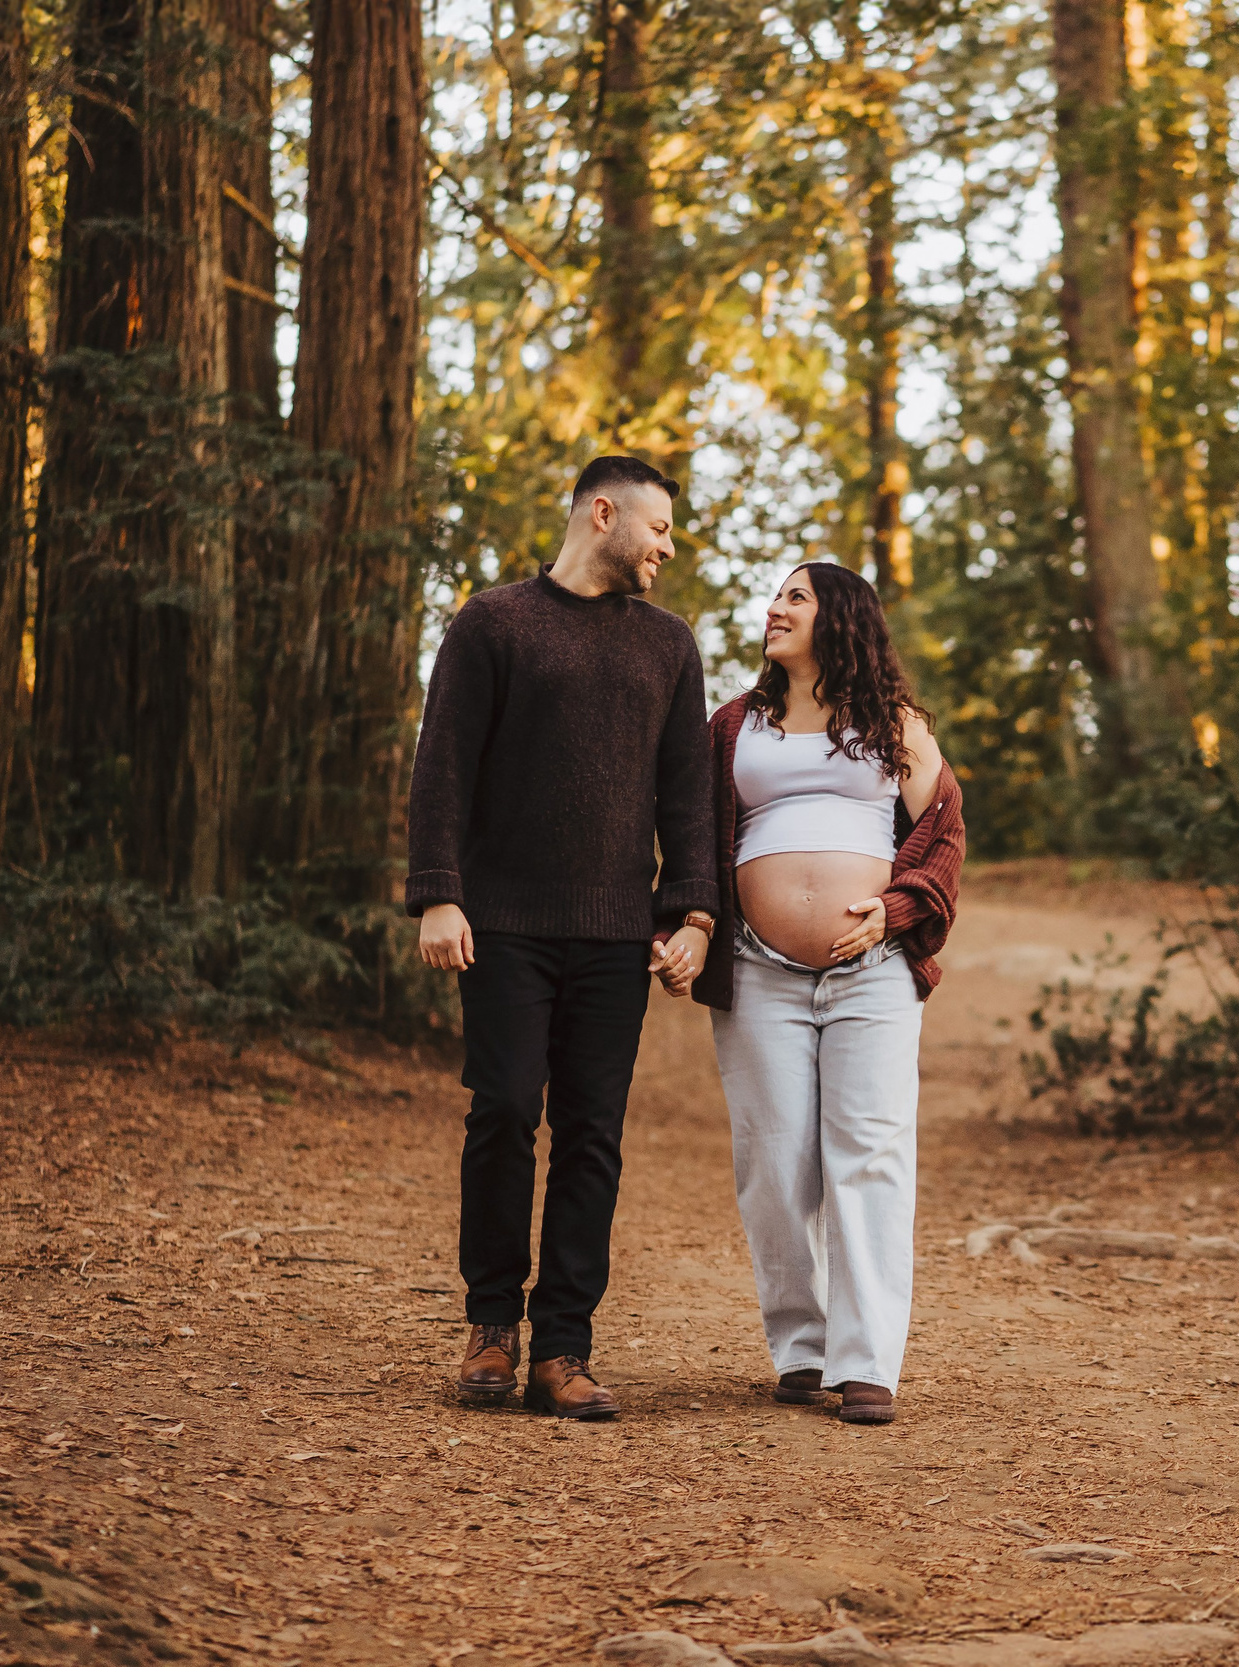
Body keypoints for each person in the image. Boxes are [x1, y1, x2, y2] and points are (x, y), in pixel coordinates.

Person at [404, 455, 717, 1422]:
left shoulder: (670, 646)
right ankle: (492, 1326)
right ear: (602, 511)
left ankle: (565, 1346)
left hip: (616, 933)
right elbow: (443, 765)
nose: (668, 547)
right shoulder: (494, 622)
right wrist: (438, 895)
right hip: (502, 925)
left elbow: (687, 796)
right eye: (658, 528)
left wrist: (693, 914)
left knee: (593, 1134)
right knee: (502, 1109)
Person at [682, 562, 964, 1426]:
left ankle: (867, 1358)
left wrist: (892, 911)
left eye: (795, 597)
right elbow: (695, 834)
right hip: (758, 966)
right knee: (774, 1157)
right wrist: (685, 923)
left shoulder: (894, 725)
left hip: (871, 971)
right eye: (775, 596)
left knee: (869, 1151)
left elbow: (943, 833)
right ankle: (802, 1345)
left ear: (840, 617)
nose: (775, 608)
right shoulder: (734, 725)